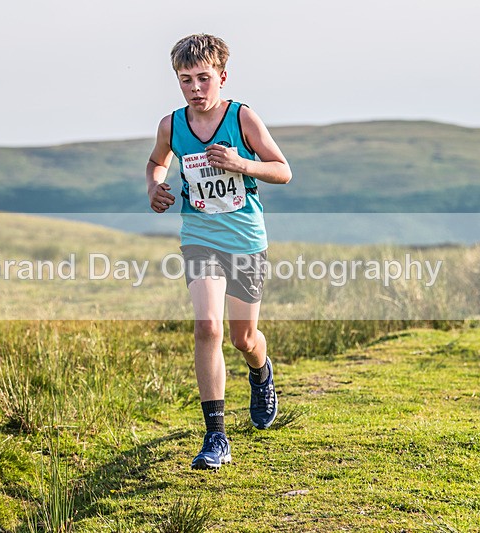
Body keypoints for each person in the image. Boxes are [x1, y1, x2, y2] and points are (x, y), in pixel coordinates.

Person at [146, 34, 292, 470]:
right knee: (207, 326)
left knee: (242, 338)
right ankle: (216, 437)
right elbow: (157, 161)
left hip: (246, 239)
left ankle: (261, 372)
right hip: (200, 236)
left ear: (222, 77)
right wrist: (155, 186)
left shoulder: (242, 118)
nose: (195, 88)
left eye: (203, 79)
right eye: (185, 80)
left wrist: (242, 164)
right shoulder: (171, 125)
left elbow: (283, 170)